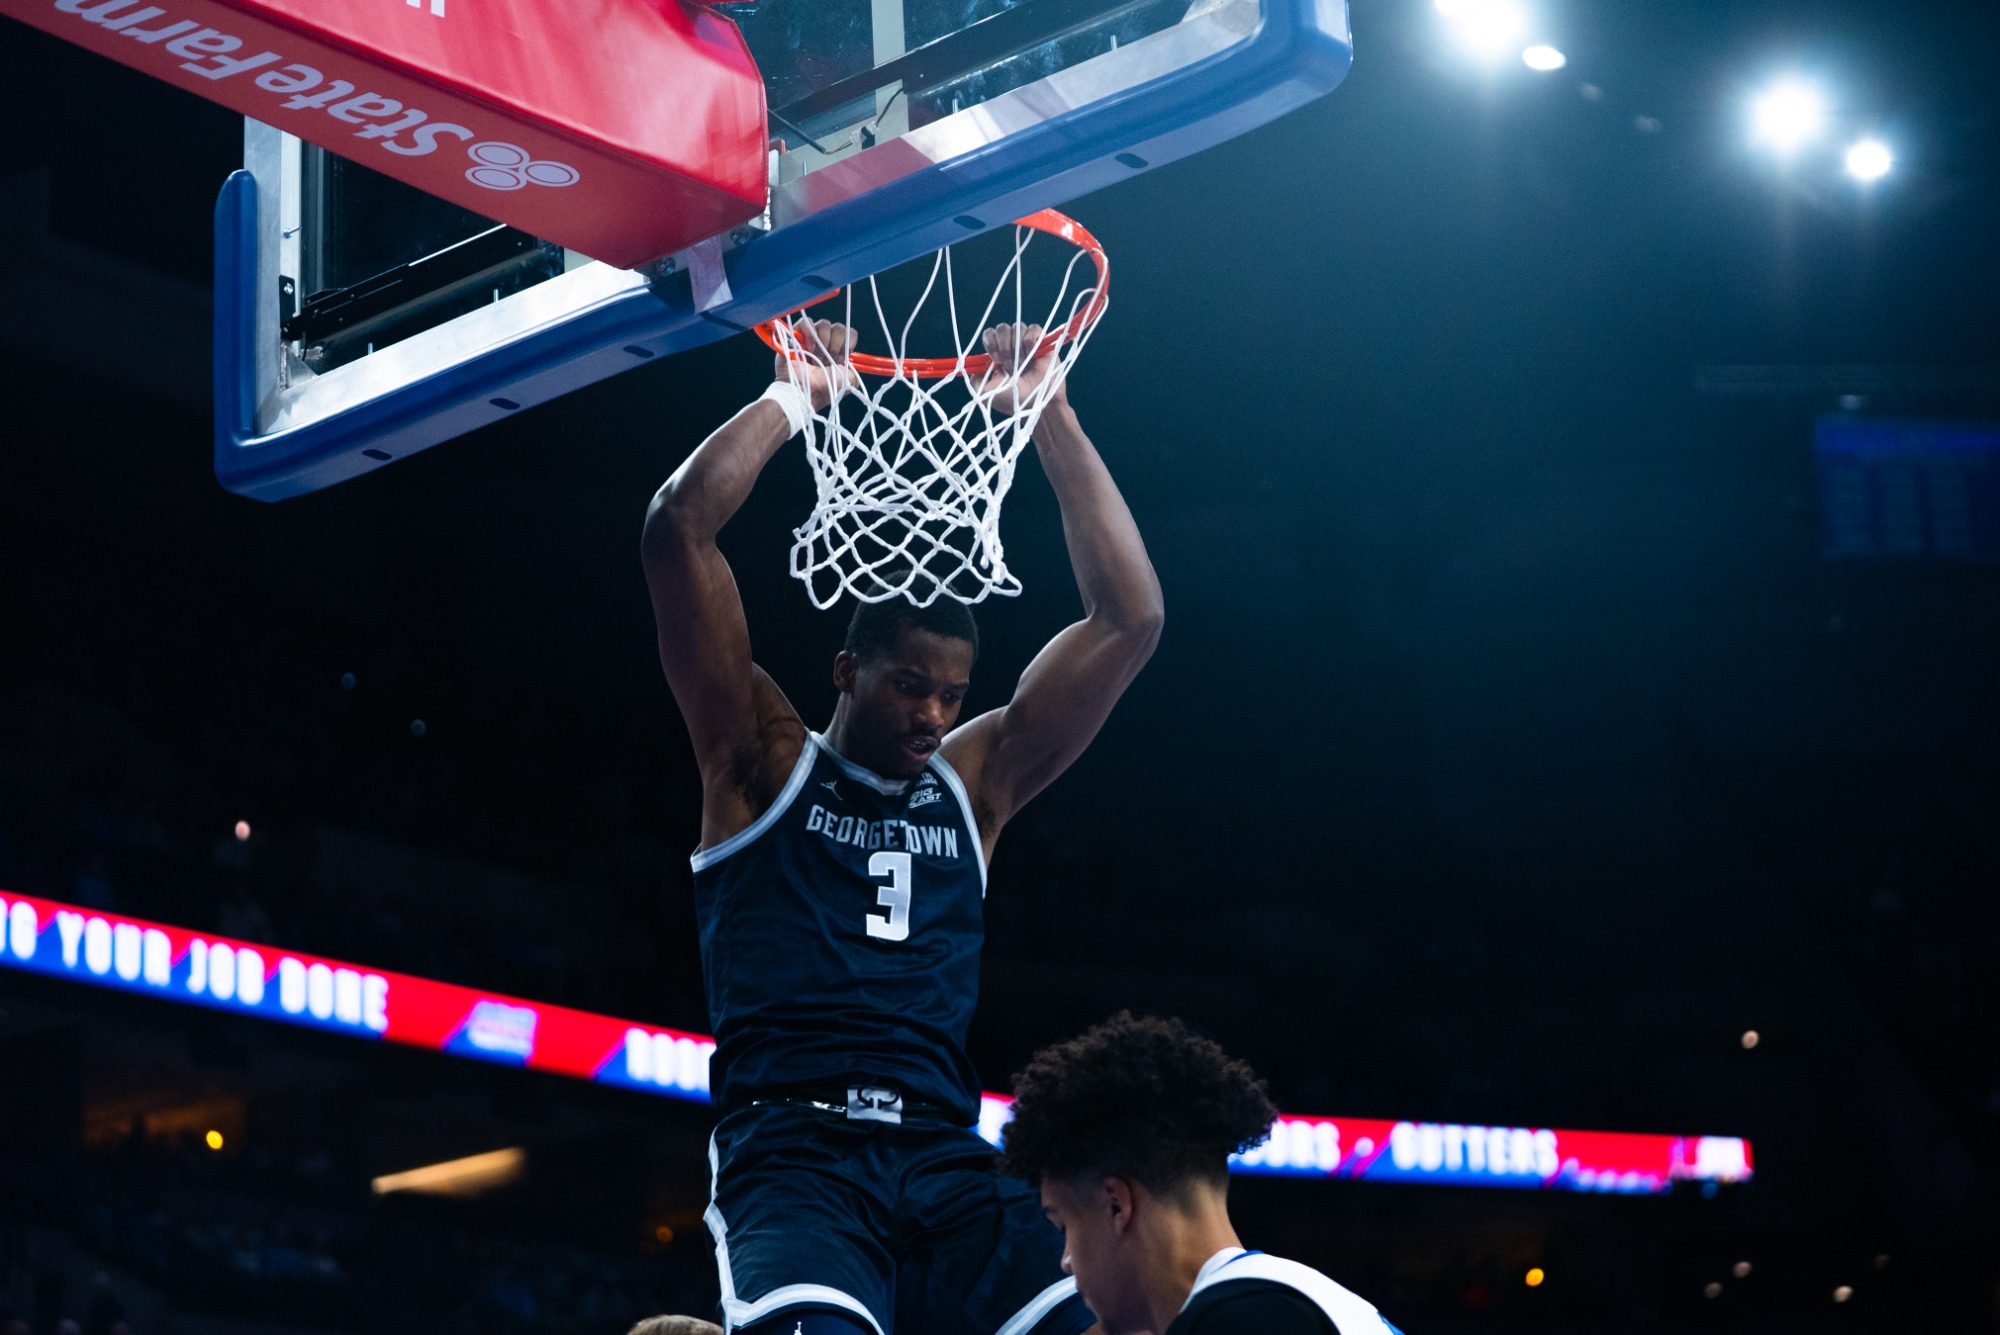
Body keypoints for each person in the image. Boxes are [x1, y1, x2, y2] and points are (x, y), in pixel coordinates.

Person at [641, 320, 1164, 1335]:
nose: (931, 714)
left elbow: (1128, 621)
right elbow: (676, 530)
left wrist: (1048, 414)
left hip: (943, 1157)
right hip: (794, 1150)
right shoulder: (757, 761)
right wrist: (795, 397)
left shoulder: (974, 785)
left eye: (949, 694)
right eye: (909, 687)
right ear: (849, 672)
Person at [998, 1014, 1407, 1335]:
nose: (1066, 1261)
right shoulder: (1289, 1300)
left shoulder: (1243, 1318)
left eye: (1064, 1225)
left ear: (1116, 1205)